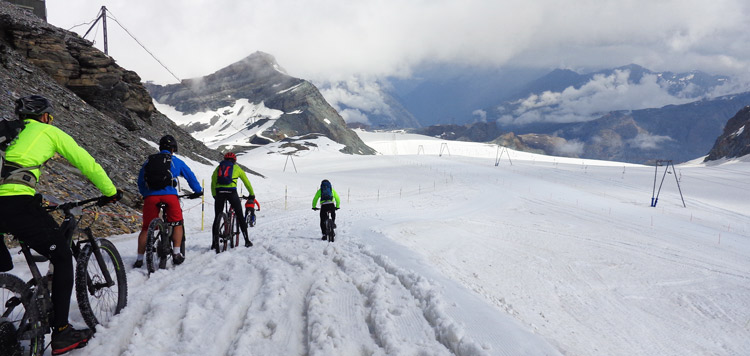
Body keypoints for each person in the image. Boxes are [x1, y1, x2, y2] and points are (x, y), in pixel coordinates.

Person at [0, 95, 122, 354]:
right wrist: (111, 191)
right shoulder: (48, 131)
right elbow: (85, 162)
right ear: (45, 116)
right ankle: (62, 333)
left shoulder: (7, 133)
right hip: (16, 203)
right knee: (63, 256)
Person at [134, 135, 202, 268]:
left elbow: (141, 180)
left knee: (146, 228)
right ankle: (176, 253)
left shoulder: (149, 161)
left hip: (151, 197)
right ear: (173, 149)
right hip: (170, 196)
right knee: (177, 223)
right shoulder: (175, 161)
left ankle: (139, 259)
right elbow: (190, 176)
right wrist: (198, 190)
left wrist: (145, 194)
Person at [211, 152, 254, 248]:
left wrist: (214, 195)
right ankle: (247, 240)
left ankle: (214, 243)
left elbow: (213, 181)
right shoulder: (237, 168)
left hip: (219, 193)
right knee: (240, 215)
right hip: (231, 193)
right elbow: (246, 182)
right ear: (234, 161)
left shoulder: (218, 168)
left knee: (217, 216)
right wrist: (252, 194)